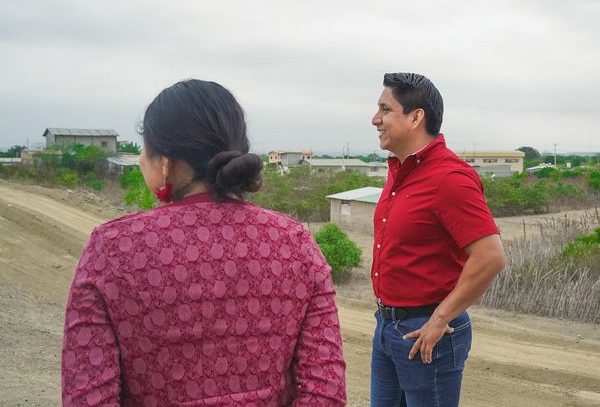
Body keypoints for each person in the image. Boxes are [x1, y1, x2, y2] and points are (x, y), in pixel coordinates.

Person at [61, 79, 346, 406]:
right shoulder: (295, 242)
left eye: (144, 149)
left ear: (165, 163)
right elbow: (325, 392)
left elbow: (88, 396)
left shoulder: (113, 248)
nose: (140, 160)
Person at [369, 72, 506, 407]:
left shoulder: (449, 178)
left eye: (385, 110)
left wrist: (440, 319)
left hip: (429, 332)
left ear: (416, 117)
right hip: (387, 326)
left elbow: (490, 256)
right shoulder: (399, 172)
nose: (375, 119)